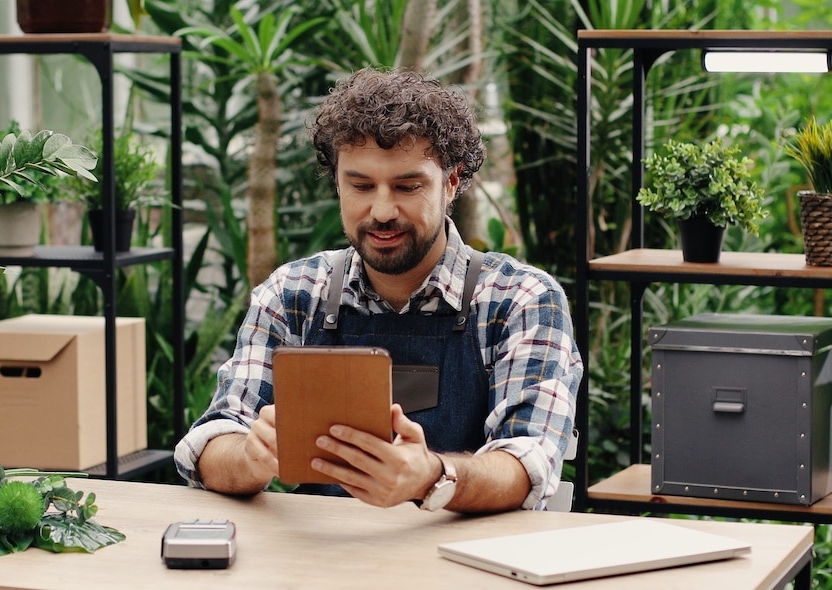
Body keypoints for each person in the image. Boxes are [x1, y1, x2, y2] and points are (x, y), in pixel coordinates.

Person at [175, 67, 583, 513]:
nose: (382, 210)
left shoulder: (520, 300)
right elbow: (208, 446)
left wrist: (432, 477)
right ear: (338, 183)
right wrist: (250, 457)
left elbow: (528, 464)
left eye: (408, 186)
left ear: (451, 182)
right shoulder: (293, 295)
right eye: (361, 186)